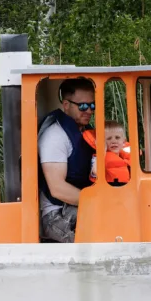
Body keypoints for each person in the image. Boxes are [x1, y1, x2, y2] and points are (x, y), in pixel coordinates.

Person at [38, 78, 96, 243]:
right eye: (83, 106)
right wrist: (98, 202)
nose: (89, 111)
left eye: (92, 105)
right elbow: (57, 189)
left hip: (78, 205)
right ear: (66, 105)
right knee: (101, 228)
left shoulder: (88, 133)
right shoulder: (55, 136)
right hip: (56, 214)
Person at [82, 120, 131, 185]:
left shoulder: (126, 158)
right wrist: (102, 151)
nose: (113, 141)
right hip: (106, 191)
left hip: (125, 190)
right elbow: (95, 171)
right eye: (109, 138)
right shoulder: (99, 156)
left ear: (124, 142)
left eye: (117, 137)